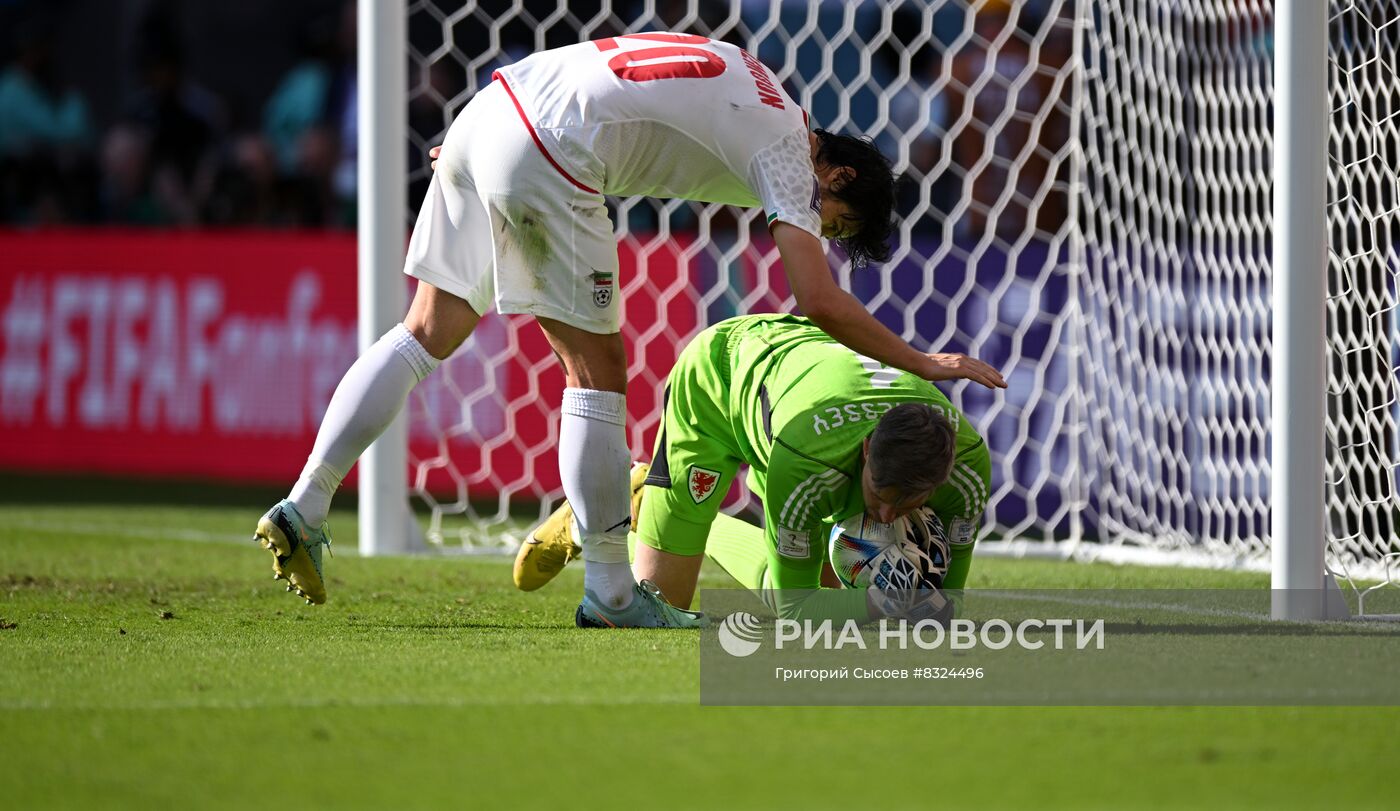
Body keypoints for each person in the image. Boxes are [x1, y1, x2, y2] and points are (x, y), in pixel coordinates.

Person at [253, 33, 1004, 624]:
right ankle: (612, 593)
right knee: (599, 369)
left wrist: (490, 133)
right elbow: (818, 299)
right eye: (832, 222)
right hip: (550, 148)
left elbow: (625, 72)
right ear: (836, 177)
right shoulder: (788, 148)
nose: (815, 226)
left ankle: (306, 502)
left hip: (497, 106)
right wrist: (924, 361)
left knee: (425, 330)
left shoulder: (753, 77)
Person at [517, 313, 991, 625]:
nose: (887, 515)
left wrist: (926, 607)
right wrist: (881, 604)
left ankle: (639, 502)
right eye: (879, 495)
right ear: (867, 451)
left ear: (941, 479)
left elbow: (950, 606)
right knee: (659, 602)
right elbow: (795, 610)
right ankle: (630, 500)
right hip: (721, 379)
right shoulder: (807, 464)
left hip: (803, 377)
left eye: (906, 503)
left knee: (835, 584)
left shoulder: (967, 471)